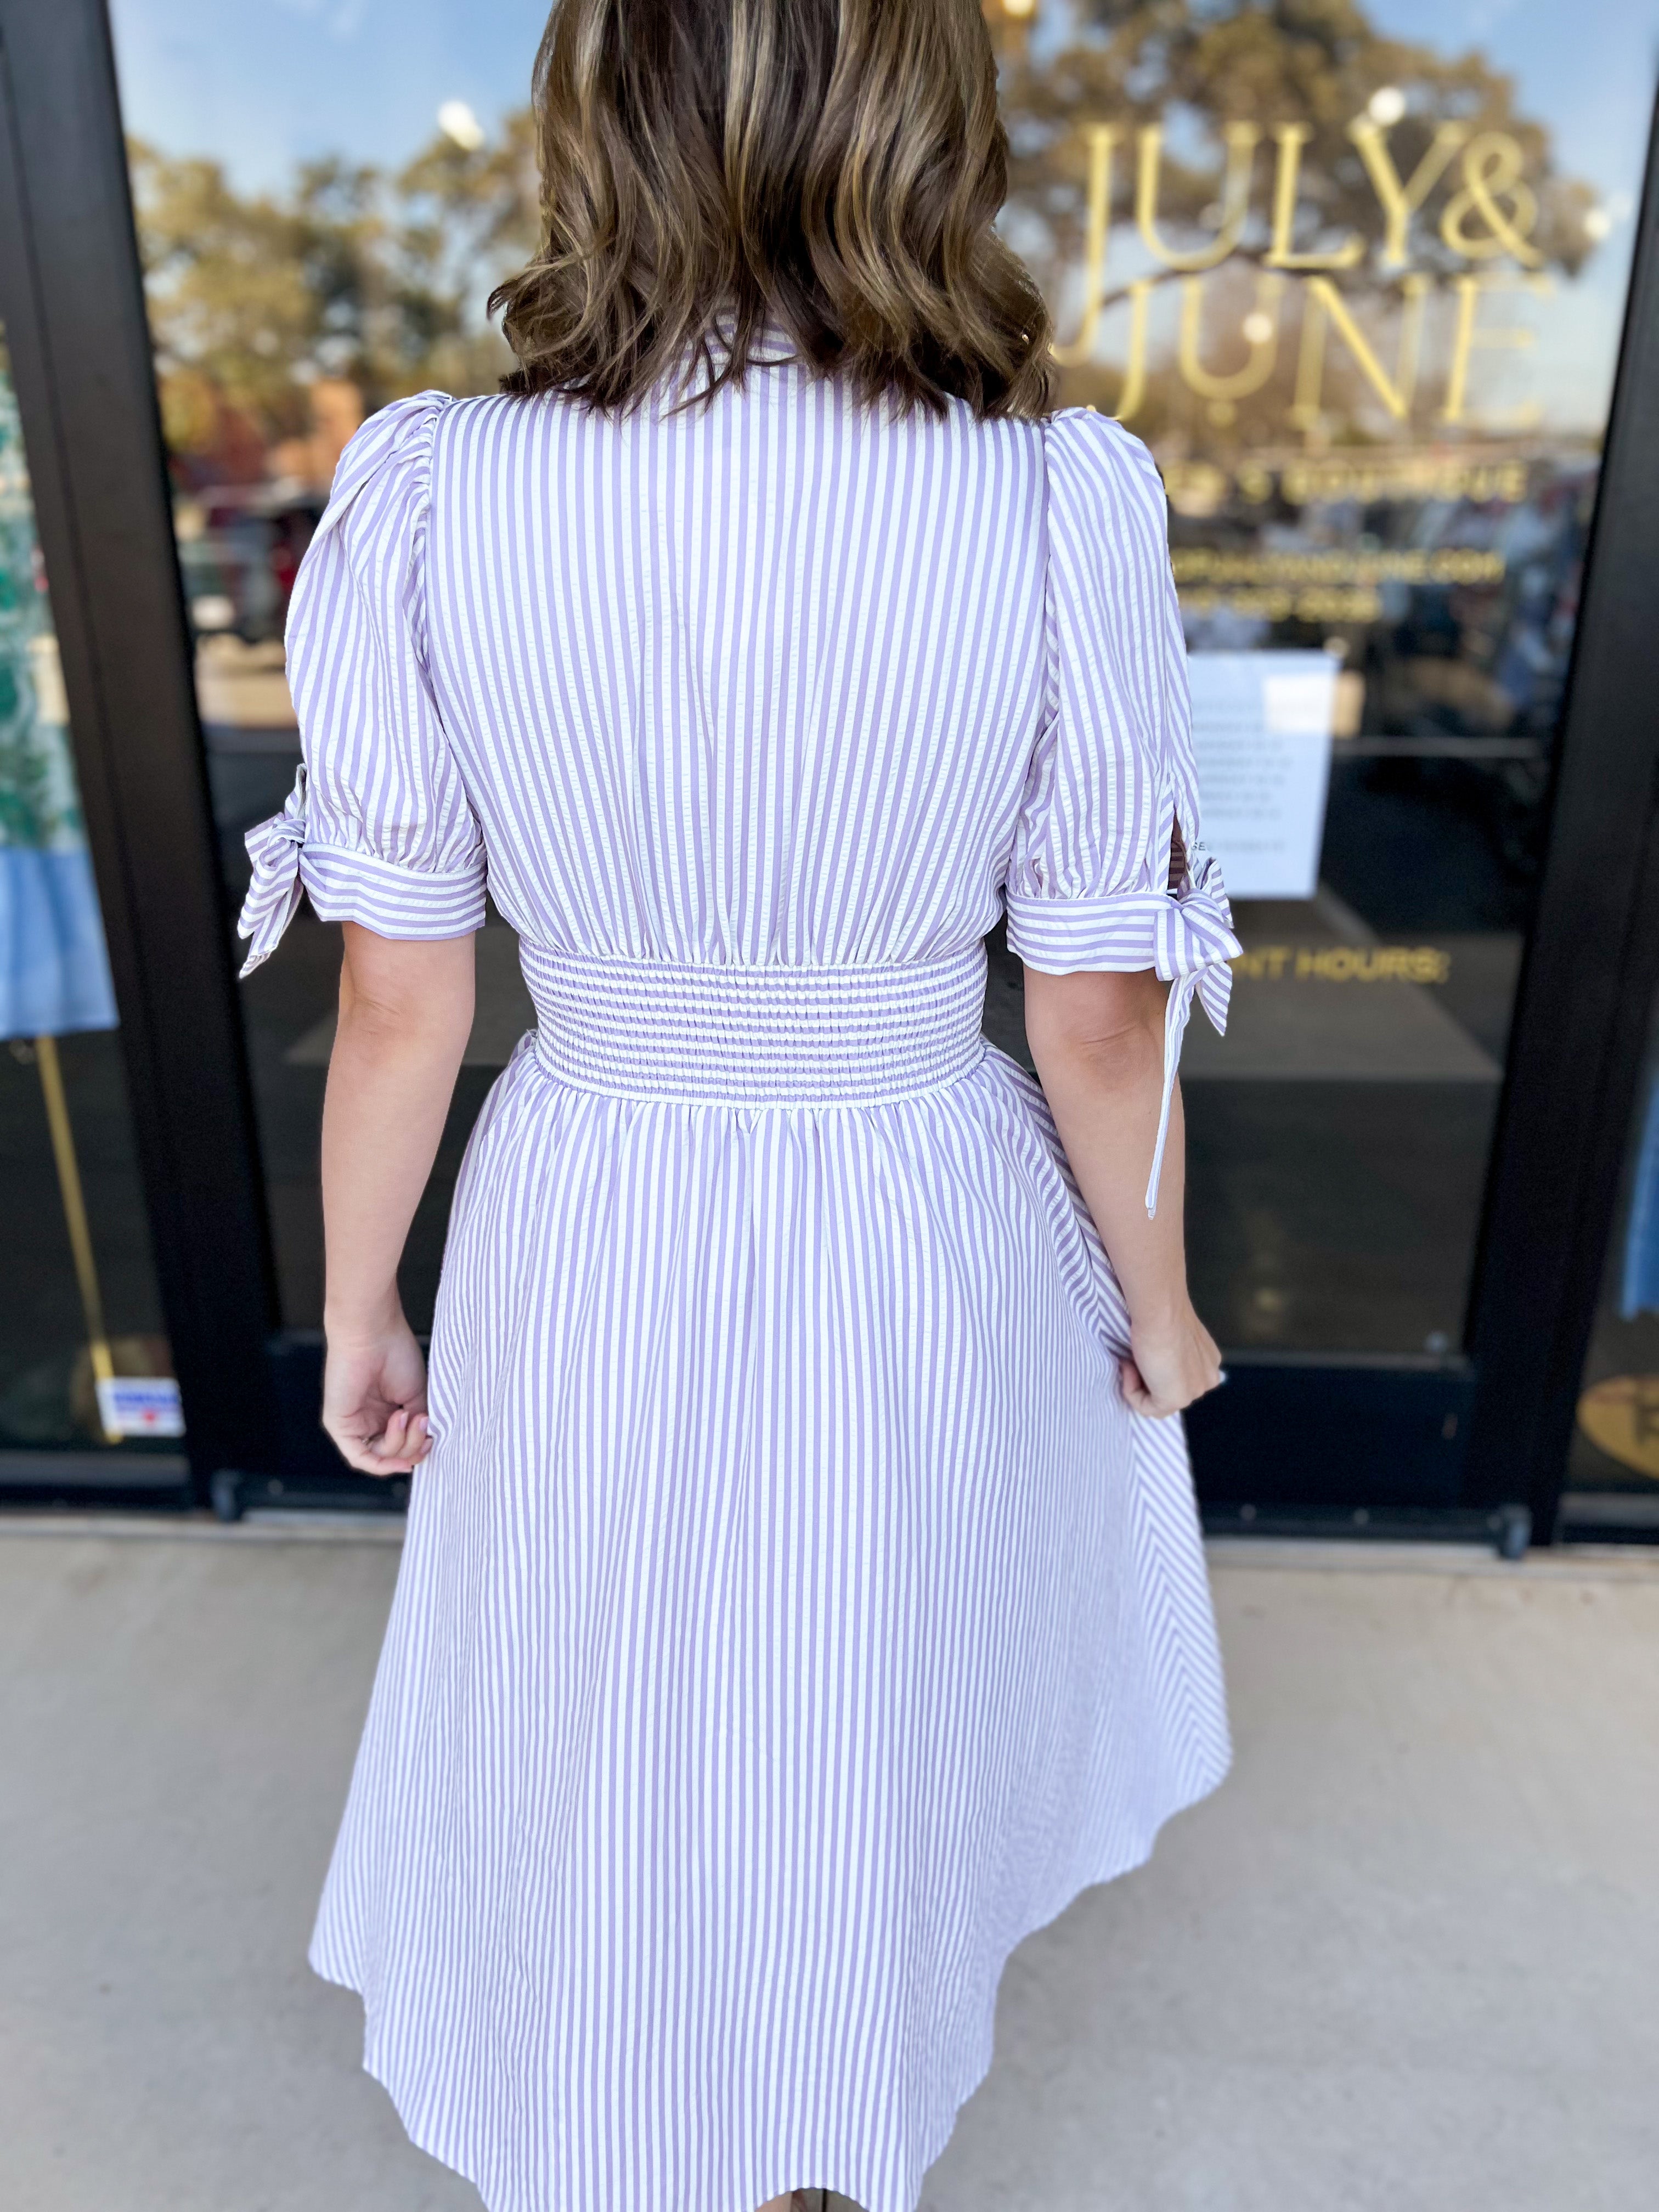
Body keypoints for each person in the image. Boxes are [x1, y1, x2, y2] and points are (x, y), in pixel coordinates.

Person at [236, 2, 1239, 2207]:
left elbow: (404, 998)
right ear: (925, 123)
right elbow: (1092, 1009)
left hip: (585, 1173)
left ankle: (620, 2119)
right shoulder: (1052, 497)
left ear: (602, 119)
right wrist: (1159, 1305)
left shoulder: (433, 484)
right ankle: (816, 2144)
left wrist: (360, 1306)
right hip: (917, 1184)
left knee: (607, 1685)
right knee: (864, 1691)